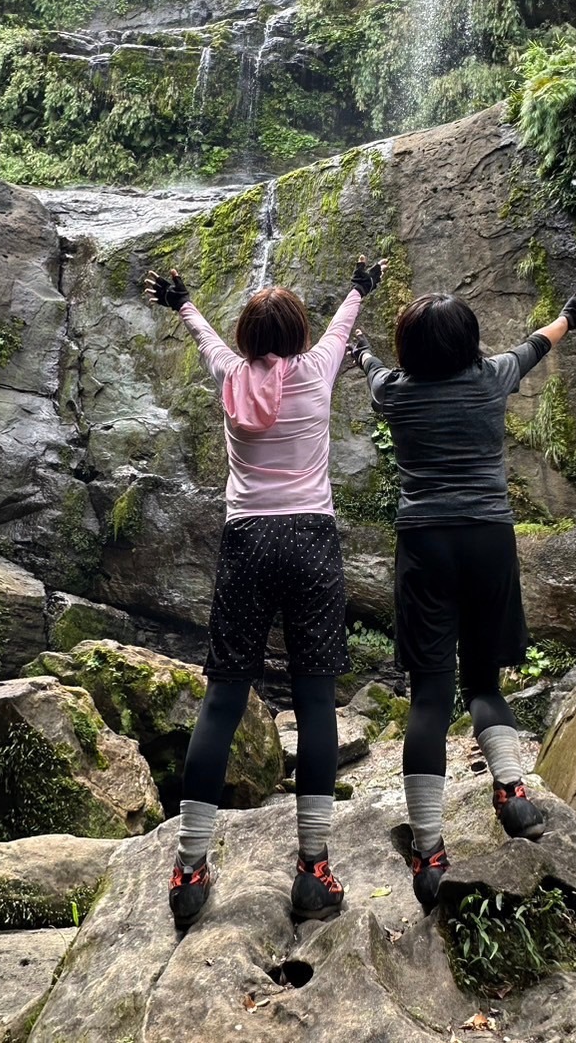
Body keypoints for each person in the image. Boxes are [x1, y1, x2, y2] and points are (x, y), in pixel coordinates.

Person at [347, 285, 576, 911]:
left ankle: (432, 853)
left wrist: (358, 352)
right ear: (469, 344)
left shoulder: (394, 394)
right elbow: (537, 344)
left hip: (425, 545)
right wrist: (572, 312)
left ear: (411, 350)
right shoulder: (491, 379)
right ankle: (513, 793)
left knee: (430, 698)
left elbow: (371, 369)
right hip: (489, 539)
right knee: (485, 686)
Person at [144, 255, 385, 931]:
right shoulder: (317, 369)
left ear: (247, 343)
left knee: (222, 699)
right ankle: (312, 870)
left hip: (247, 541)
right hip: (311, 542)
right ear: (300, 338)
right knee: (314, 702)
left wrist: (183, 301)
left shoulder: (231, 376)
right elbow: (345, 321)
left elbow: (206, 340)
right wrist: (362, 283)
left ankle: (190, 867)